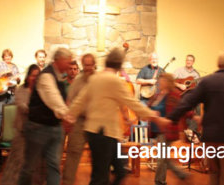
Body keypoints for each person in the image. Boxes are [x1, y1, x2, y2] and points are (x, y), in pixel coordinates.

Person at [66, 48, 169, 185]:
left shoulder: (96, 78)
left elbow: (80, 100)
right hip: (103, 133)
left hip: (103, 133)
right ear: (120, 65)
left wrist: (68, 116)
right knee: (101, 176)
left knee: (117, 172)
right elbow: (133, 103)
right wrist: (155, 117)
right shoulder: (115, 81)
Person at [166, 50, 224, 185]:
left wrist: (171, 119)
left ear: (218, 64)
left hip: (210, 137)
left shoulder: (207, 82)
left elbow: (186, 102)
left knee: (213, 175)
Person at [17, 48, 72, 185]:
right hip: (38, 128)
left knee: (53, 166)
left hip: (54, 127)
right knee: (29, 167)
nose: (70, 65)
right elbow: (54, 100)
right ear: (59, 60)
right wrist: (69, 117)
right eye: (68, 61)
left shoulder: (59, 77)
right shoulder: (46, 76)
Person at [0, 64, 42, 185]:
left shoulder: (40, 91)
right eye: (33, 75)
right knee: (18, 162)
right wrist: (37, 109)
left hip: (36, 132)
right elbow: (23, 107)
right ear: (28, 76)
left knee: (33, 164)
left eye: (37, 76)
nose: (35, 78)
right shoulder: (20, 90)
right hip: (22, 131)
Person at [147, 73, 189, 185]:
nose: (159, 82)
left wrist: (193, 116)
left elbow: (183, 108)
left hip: (167, 130)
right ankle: (180, 174)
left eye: (161, 80)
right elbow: (148, 107)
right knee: (163, 157)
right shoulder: (157, 95)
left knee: (161, 158)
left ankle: (160, 181)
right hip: (156, 131)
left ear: (167, 82)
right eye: (159, 80)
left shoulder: (174, 95)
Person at [62, 53, 96, 185]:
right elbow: (70, 100)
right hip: (79, 122)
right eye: (85, 65)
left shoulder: (99, 79)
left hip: (95, 122)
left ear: (94, 65)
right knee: (73, 154)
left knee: (98, 157)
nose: (88, 68)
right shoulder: (78, 80)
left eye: (90, 65)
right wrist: (69, 119)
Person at [0, 49, 20, 137]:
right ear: (3, 57)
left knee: (10, 114)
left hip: (12, 92)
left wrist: (18, 79)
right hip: (1, 91)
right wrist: (3, 73)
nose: (8, 57)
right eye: (6, 56)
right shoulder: (0, 64)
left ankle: (7, 136)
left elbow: (17, 81)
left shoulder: (15, 66)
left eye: (9, 56)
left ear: (11, 57)